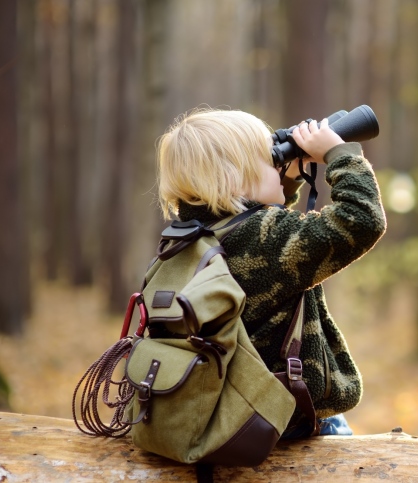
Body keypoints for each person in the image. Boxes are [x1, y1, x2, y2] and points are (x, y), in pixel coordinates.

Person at [155, 108, 386, 438]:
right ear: (235, 179)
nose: (279, 165)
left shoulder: (191, 238)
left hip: (236, 413)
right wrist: (339, 153)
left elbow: (268, 239)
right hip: (292, 422)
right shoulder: (266, 238)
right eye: (271, 159)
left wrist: (288, 177)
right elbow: (361, 220)